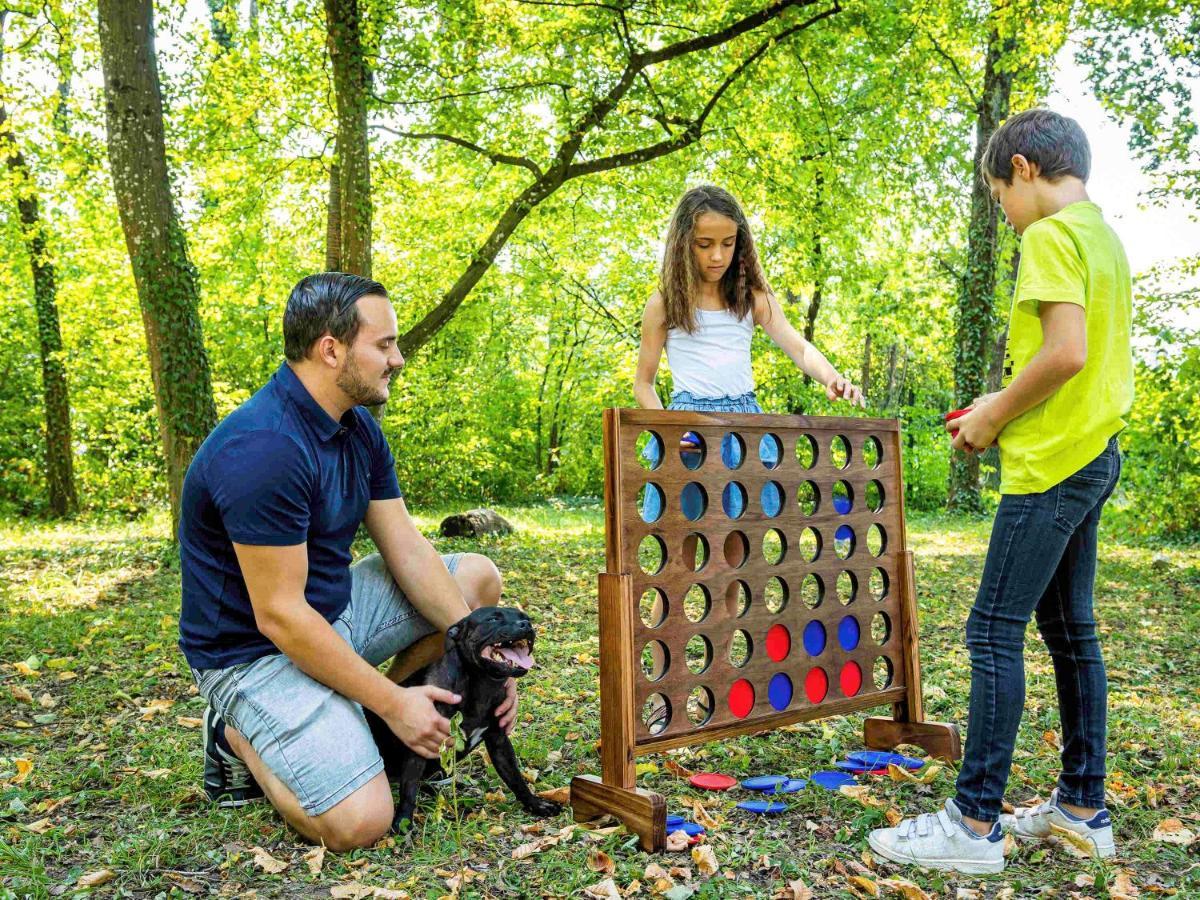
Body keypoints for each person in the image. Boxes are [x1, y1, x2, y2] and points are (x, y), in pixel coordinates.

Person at [869, 109, 1132, 874]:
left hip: (1051, 464)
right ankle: (1084, 808)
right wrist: (998, 411)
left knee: (991, 631)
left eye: (998, 198)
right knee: (1070, 632)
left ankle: (973, 824)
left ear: (1020, 169)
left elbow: (1066, 353)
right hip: (1094, 452)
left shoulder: (1048, 236)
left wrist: (990, 414)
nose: (1005, 216)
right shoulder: (1104, 237)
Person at [178, 273, 518, 851]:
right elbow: (280, 616)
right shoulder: (264, 448)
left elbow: (406, 547)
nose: (399, 359)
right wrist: (390, 701)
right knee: (362, 822)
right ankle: (235, 734)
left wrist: (481, 654)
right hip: (253, 655)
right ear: (331, 349)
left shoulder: (357, 428)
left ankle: (371, 724)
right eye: (384, 345)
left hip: (334, 613)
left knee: (475, 579)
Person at [634, 183, 864, 525]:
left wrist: (831, 377)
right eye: (704, 245)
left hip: (745, 426)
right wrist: (670, 432)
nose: (717, 256)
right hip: (687, 429)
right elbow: (643, 384)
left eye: (728, 244)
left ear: (740, 243)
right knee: (683, 533)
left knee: (739, 538)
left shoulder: (752, 298)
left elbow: (799, 347)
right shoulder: (665, 302)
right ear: (683, 245)